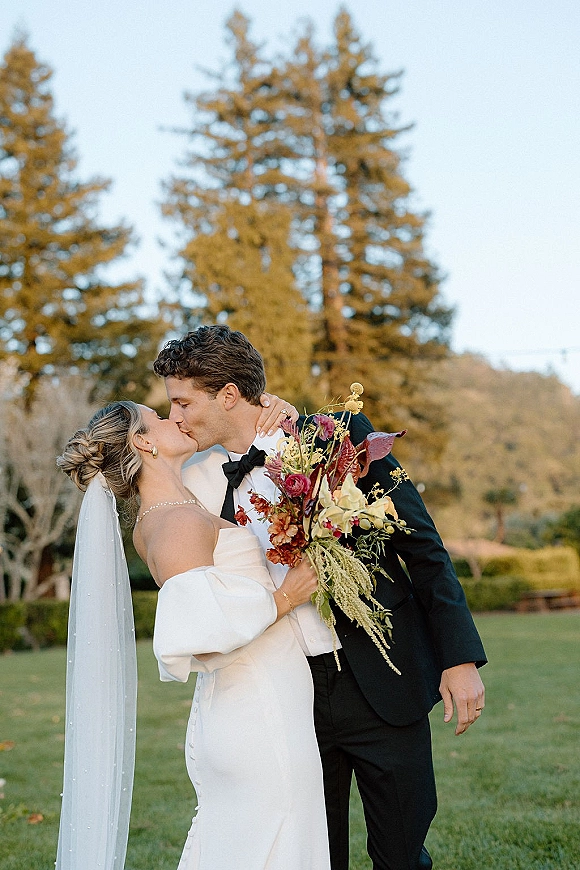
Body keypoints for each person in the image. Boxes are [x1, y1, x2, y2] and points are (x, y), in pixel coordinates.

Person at [152, 325, 488, 870]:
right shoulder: (208, 486)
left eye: (183, 402)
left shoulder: (338, 438)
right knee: (313, 856)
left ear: (230, 395)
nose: (176, 417)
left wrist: (460, 657)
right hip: (294, 696)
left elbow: (424, 549)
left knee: (401, 856)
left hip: (385, 676)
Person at [56, 399, 331, 870]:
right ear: (144, 442)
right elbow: (199, 634)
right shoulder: (175, 522)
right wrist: (286, 596)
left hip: (257, 700)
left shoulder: (174, 509)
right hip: (255, 710)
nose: (174, 418)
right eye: (159, 418)